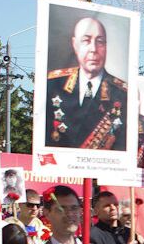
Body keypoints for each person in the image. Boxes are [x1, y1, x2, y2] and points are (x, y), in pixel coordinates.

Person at [45, 17, 128, 150]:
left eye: (100, 42)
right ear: (75, 44)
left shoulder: (123, 94)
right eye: (86, 41)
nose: (93, 49)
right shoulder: (52, 85)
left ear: (106, 47)